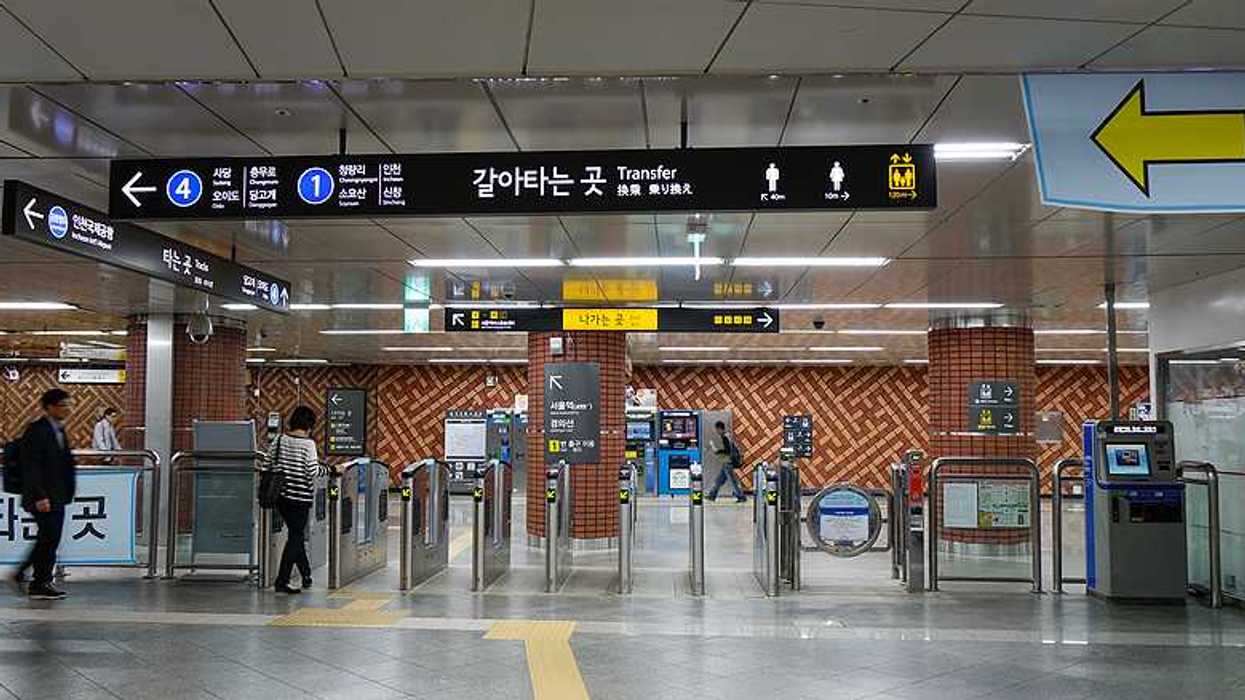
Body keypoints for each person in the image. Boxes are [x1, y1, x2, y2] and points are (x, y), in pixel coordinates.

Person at [14, 389, 77, 600]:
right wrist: (40, 495)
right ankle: (39, 581)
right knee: (48, 538)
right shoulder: (37, 430)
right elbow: (31, 467)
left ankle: (33, 577)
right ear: (50, 407)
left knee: (49, 539)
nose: (67, 409)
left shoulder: (59, 429)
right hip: (42, 497)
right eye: (63, 405)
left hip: (57, 495)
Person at [269, 405, 328, 594]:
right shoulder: (308, 444)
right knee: (295, 537)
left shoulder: (279, 440)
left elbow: (267, 464)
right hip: (300, 497)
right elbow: (312, 471)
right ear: (309, 425)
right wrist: (331, 470)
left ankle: (306, 574)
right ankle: (282, 580)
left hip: (280, 497)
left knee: (296, 535)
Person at [707, 420, 746, 503]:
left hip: (729, 462)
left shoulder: (725, 437)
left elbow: (728, 451)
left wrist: (717, 451)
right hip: (727, 462)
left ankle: (741, 496)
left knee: (733, 481)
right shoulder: (727, 436)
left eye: (717, 429)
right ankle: (712, 495)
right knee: (719, 480)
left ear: (720, 428)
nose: (717, 431)